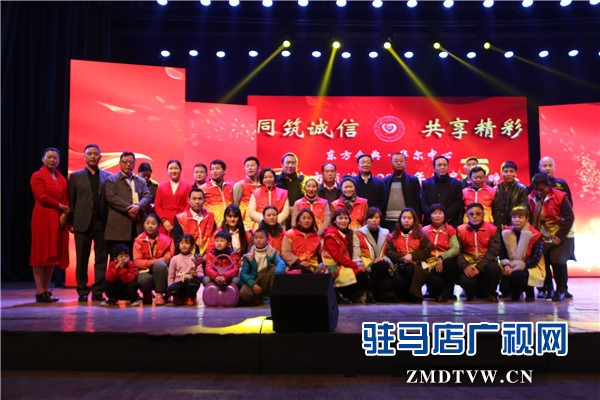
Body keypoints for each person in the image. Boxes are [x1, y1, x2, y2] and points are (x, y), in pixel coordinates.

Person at [68, 144, 111, 303]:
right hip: (82, 223)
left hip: (102, 224)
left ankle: (98, 290)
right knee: (82, 259)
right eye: (89, 153)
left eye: (95, 153)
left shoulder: (108, 177)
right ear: (84, 156)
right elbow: (71, 200)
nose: (92, 156)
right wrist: (71, 221)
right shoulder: (75, 177)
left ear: (100, 157)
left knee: (101, 259)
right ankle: (82, 290)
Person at [30, 147, 69, 303]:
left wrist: (64, 214)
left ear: (59, 161)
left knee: (52, 255)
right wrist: (61, 207)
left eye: (55, 158)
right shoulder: (37, 176)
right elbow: (42, 197)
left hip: (58, 217)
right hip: (42, 217)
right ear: (43, 159)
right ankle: (40, 291)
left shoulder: (61, 178)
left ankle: (46, 290)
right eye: (49, 157)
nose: (52, 160)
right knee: (40, 254)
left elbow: (66, 197)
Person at [528, 173, 575, 302]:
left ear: (549, 186)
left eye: (542, 189)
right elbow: (531, 218)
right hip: (543, 234)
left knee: (557, 258)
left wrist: (559, 236)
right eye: (536, 189)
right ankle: (548, 289)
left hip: (563, 232)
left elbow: (569, 218)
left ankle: (561, 289)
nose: (539, 192)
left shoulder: (560, 197)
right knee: (543, 259)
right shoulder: (531, 197)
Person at [104, 151, 152, 255]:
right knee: (118, 259)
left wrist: (138, 207)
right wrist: (131, 208)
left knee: (136, 258)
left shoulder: (141, 181)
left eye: (131, 162)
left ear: (134, 164)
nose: (128, 164)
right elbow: (111, 197)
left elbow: (147, 196)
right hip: (118, 228)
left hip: (137, 227)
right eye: (125, 162)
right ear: (119, 163)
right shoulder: (111, 180)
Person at [456, 203, 502, 302]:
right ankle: (470, 293)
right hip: (468, 263)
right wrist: (465, 266)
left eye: (478, 213)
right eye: (471, 214)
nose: (475, 216)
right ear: (467, 216)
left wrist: (479, 267)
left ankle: (490, 293)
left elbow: (493, 251)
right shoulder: (460, 230)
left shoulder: (492, 229)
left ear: (483, 215)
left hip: (486, 263)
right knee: (464, 279)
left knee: (494, 268)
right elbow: (457, 251)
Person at [499, 206, 545, 302]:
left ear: (527, 219)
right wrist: (507, 265)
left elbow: (535, 258)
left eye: (520, 217)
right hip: (512, 265)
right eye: (514, 217)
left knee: (518, 275)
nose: (517, 220)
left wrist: (517, 267)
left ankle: (529, 292)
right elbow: (502, 253)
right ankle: (516, 292)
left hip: (530, 266)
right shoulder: (506, 233)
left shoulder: (535, 234)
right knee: (504, 288)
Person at [322, 209, 368, 304]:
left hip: (343, 263)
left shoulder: (348, 233)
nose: (343, 221)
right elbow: (337, 257)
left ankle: (346, 294)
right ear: (334, 221)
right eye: (340, 218)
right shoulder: (330, 235)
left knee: (363, 271)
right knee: (360, 273)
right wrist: (355, 264)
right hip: (330, 266)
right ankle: (341, 293)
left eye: (346, 218)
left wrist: (358, 263)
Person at [386, 207, 431, 303]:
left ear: (414, 220)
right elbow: (390, 251)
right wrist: (403, 258)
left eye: (409, 218)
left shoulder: (421, 235)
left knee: (411, 268)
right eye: (404, 218)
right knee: (398, 279)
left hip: (418, 265)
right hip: (400, 266)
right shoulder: (393, 236)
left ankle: (415, 295)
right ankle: (406, 296)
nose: (406, 220)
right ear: (400, 219)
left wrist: (412, 256)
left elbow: (426, 251)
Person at [239, 228, 286, 306]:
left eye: (261, 237)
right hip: (254, 279)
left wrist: (277, 273)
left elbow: (281, 263)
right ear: (253, 239)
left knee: (274, 269)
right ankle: (258, 298)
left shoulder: (271, 252)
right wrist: (253, 284)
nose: (258, 240)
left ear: (267, 239)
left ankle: (271, 297)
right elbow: (243, 274)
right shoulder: (249, 256)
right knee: (244, 294)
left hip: (266, 279)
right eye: (256, 238)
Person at [133, 213, 173, 305]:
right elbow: (137, 262)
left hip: (161, 271)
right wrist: (153, 261)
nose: (150, 226)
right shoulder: (138, 240)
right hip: (145, 271)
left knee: (160, 265)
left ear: (158, 226)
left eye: (153, 223)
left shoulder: (166, 240)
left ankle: (160, 295)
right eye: (147, 223)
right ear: (143, 224)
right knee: (143, 280)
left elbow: (167, 258)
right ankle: (147, 294)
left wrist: (157, 262)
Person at [353, 207, 391, 303]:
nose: (374, 220)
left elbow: (390, 252)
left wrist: (383, 259)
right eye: (371, 217)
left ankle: (369, 290)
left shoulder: (386, 233)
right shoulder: (359, 233)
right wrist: (360, 263)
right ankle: (370, 292)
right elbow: (356, 254)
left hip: (381, 264)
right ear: (366, 219)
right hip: (366, 264)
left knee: (383, 266)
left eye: (377, 217)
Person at [423, 204, 459, 303]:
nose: (437, 215)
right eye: (434, 213)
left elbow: (456, 248)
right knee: (435, 281)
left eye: (440, 213)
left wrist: (441, 257)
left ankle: (445, 293)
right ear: (429, 215)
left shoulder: (450, 229)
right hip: (430, 264)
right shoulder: (424, 230)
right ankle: (437, 292)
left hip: (445, 263)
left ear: (444, 215)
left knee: (450, 263)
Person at [420, 155, 464, 228]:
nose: (442, 167)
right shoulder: (426, 183)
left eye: (444, 165)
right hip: (429, 223)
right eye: (439, 165)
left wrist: (444, 217)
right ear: (434, 167)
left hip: (450, 222)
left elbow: (457, 203)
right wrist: (433, 216)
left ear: (448, 167)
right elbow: (423, 202)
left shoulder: (456, 183)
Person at [382, 152, 421, 231]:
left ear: (405, 163)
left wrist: (418, 221)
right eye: (396, 161)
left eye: (401, 161)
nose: (399, 163)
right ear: (391, 163)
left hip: (407, 220)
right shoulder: (385, 181)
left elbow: (418, 203)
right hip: (388, 220)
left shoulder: (413, 180)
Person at [173, 187, 216, 257]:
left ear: (204, 200)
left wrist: (208, 255)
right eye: (194, 199)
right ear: (188, 200)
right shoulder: (180, 218)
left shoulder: (210, 217)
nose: (197, 202)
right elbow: (178, 241)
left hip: (208, 256)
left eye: (200, 199)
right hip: (187, 257)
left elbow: (213, 239)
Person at [153, 159, 192, 236]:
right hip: (164, 222)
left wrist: (180, 220)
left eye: (176, 168)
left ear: (180, 170)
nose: (173, 171)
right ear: (167, 171)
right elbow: (157, 205)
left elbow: (188, 204)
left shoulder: (188, 187)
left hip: (181, 220)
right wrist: (164, 220)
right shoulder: (161, 187)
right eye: (171, 168)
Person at [166, 234, 204, 306]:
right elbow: (171, 276)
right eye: (182, 243)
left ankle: (190, 297)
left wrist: (197, 275)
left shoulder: (197, 258)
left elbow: (202, 274)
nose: (183, 245)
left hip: (190, 282)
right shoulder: (174, 259)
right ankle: (179, 297)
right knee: (175, 292)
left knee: (193, 283)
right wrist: (170, 290)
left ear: (192, 246)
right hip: (179, 283)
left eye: (187, 243)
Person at [281, 208, 322, 274]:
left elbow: (323, 253)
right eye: (304, 218)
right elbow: (286, 253)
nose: (307, 220)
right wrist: (299, 262)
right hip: (295, 266)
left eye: (309, 218)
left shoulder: (316, 236)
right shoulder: (290, 234)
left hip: (313, 268)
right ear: (298, 221)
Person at [492, 160, 529, 231]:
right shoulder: (496, 189)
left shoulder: (522, 189)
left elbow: (522, 209)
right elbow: (495, 209)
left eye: (511, 171)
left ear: (515, 173)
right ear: (501, 173)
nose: (509, 174)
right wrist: (499, 224)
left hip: (516, 226)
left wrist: (511, 225)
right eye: (506, 171)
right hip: (498, 226)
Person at [200, 159, 234, 227]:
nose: (214, 171)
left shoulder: (231, 185)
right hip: (213, 225)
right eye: (212, 169)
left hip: (231, 223)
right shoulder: (203, 189)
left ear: (224, 171)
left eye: (217, 168)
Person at [275, 152, 305, 228]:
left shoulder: (303, 180)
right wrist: (287, 210)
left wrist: (295, 209)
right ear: (282, 164)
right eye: (288, 163)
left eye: (293, 163)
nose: (290, 166)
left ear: (296, 164)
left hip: (299, 220)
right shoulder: (275, 180)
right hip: (280, 220)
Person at [233, 156, 261, 231]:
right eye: (247, 166)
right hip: (246, 222)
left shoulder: (263, 184)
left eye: (252, 165)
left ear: (258, 168)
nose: (249, 168)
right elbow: (236, 205)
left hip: (260, 219)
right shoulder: (239, 185)